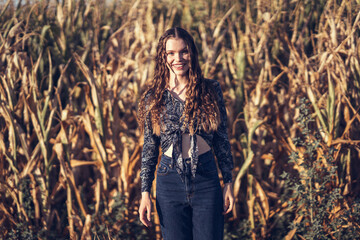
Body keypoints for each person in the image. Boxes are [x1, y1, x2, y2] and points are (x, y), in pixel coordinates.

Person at [137, 27, 234, 240]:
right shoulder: (153, 97)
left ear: (192, 54)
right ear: (163, 57)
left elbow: (222, 139)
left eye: (184, 51)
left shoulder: (210, 89)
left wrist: (228, 181)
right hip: (168, 181)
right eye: (171, 53)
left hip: (206, 178)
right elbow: (150, 147)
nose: (178, 58)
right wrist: (145, 193)